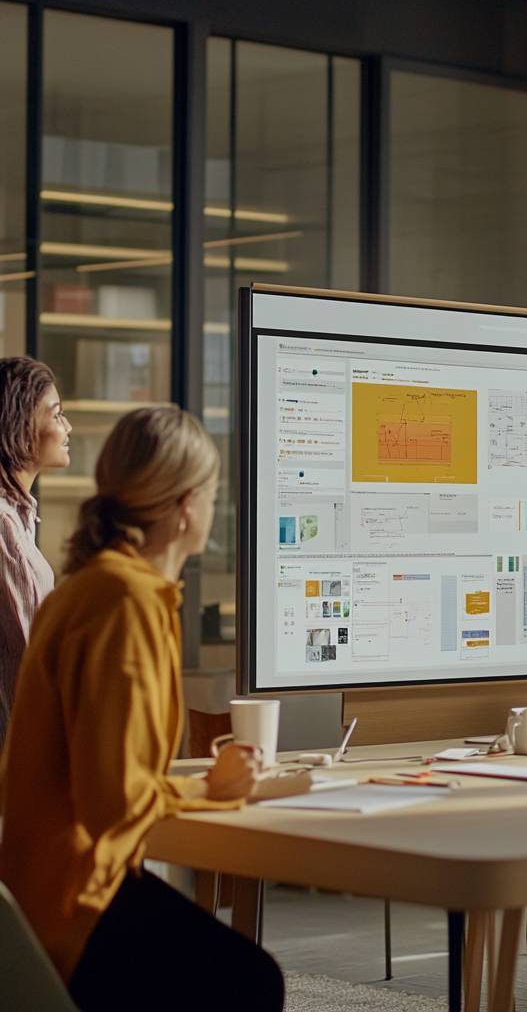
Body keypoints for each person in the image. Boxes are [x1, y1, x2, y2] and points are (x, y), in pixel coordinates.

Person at [0, 406, 284, 1012]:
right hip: (73, 909)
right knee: (252, 981)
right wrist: (213, 787)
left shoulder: (94, 588)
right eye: (212, 493)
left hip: (37, 898)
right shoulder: (123, 601)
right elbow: (114, 804)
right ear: (185, 506)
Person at [0, 356, 71, 746]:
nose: (67, 427)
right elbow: (29, 661)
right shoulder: (5, 526)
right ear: (22, 423)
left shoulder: (18, 518)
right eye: (57, 415)